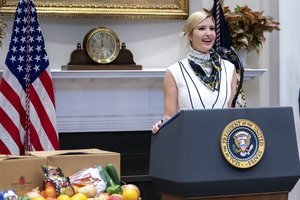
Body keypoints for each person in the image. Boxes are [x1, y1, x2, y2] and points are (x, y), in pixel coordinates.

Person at [152, 10, 237, 134]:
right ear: (190, 35)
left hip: (223, 140)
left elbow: (233, 113)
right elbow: (169, 117)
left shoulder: (229, 68)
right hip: (190, 139)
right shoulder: (174, 72)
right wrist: (161, 125)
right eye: (202, 28)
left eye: (212, 28)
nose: (208, 33)